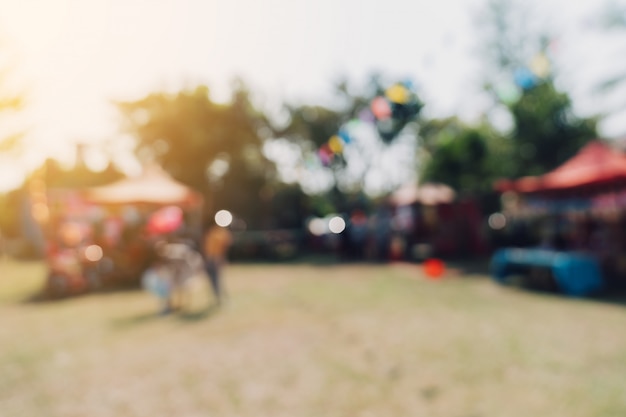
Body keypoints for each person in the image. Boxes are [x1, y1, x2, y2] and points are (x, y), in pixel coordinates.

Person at [202, 222, 233, 305]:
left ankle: (221, 299)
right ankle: (218, 298)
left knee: (217, 279)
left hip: (216, 258)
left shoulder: (222, 233)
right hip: (211, 258)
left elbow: (224, 247)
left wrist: (220, 258)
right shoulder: (213, 232)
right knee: (213, 280)